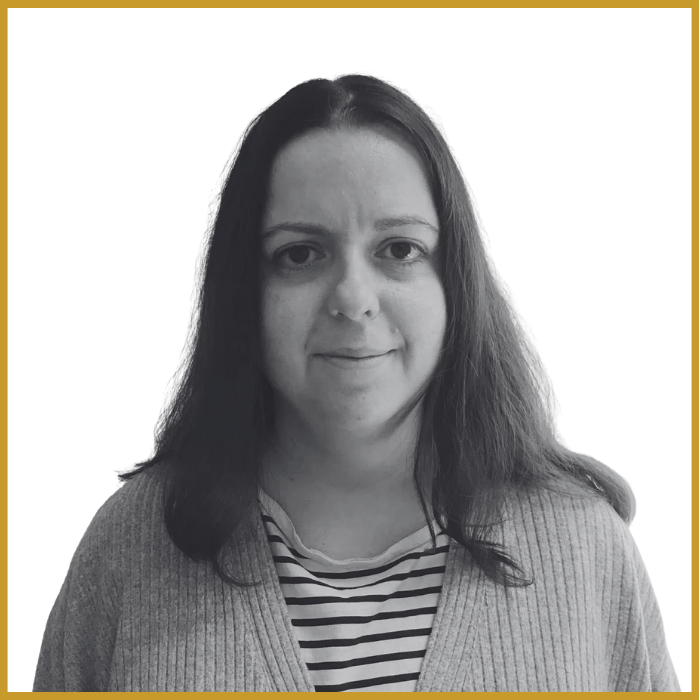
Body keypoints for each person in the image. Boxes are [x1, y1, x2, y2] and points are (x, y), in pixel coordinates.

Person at [32, 72, 681, 692]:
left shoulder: (584, 544)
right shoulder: (126, 549)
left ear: (454, 283)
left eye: (399, 249)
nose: (352, 298)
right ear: (244, 293)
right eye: (299, 254)